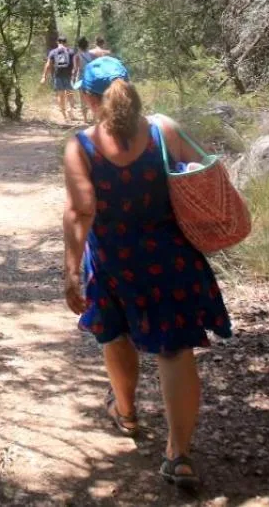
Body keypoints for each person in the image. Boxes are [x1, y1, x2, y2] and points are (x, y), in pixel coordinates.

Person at [61, 56, 231, 491]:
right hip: (171, 258)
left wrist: (72, 271)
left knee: (115, 337)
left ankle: (127, 413)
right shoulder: (164, 130)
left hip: (113, 261)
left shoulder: (82, 146)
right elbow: (206, 171)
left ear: (89, 99)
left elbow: (81, 211)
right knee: (175, 351)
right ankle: (179, 455)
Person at [41, 36, 77, 121]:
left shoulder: (53, 52)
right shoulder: (71, 51)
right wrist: (74, 74)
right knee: (70, 94)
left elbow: (48, 65)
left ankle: (64, 116)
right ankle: (70, 110)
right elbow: (75, 65)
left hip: (58, 75)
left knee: (60, 95)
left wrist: (44, 76)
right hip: (68, 76)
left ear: (57, 42)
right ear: (66, 42)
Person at [72, 38, 95, 123]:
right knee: (92, 97)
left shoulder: (77, 56)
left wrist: (72, 78)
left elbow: (75, 69)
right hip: (91, 77)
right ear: (87, 45)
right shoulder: (92, 55)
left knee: (82, 98)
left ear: (79, 46)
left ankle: (85, 119)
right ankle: (94, 118)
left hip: (81, 78)